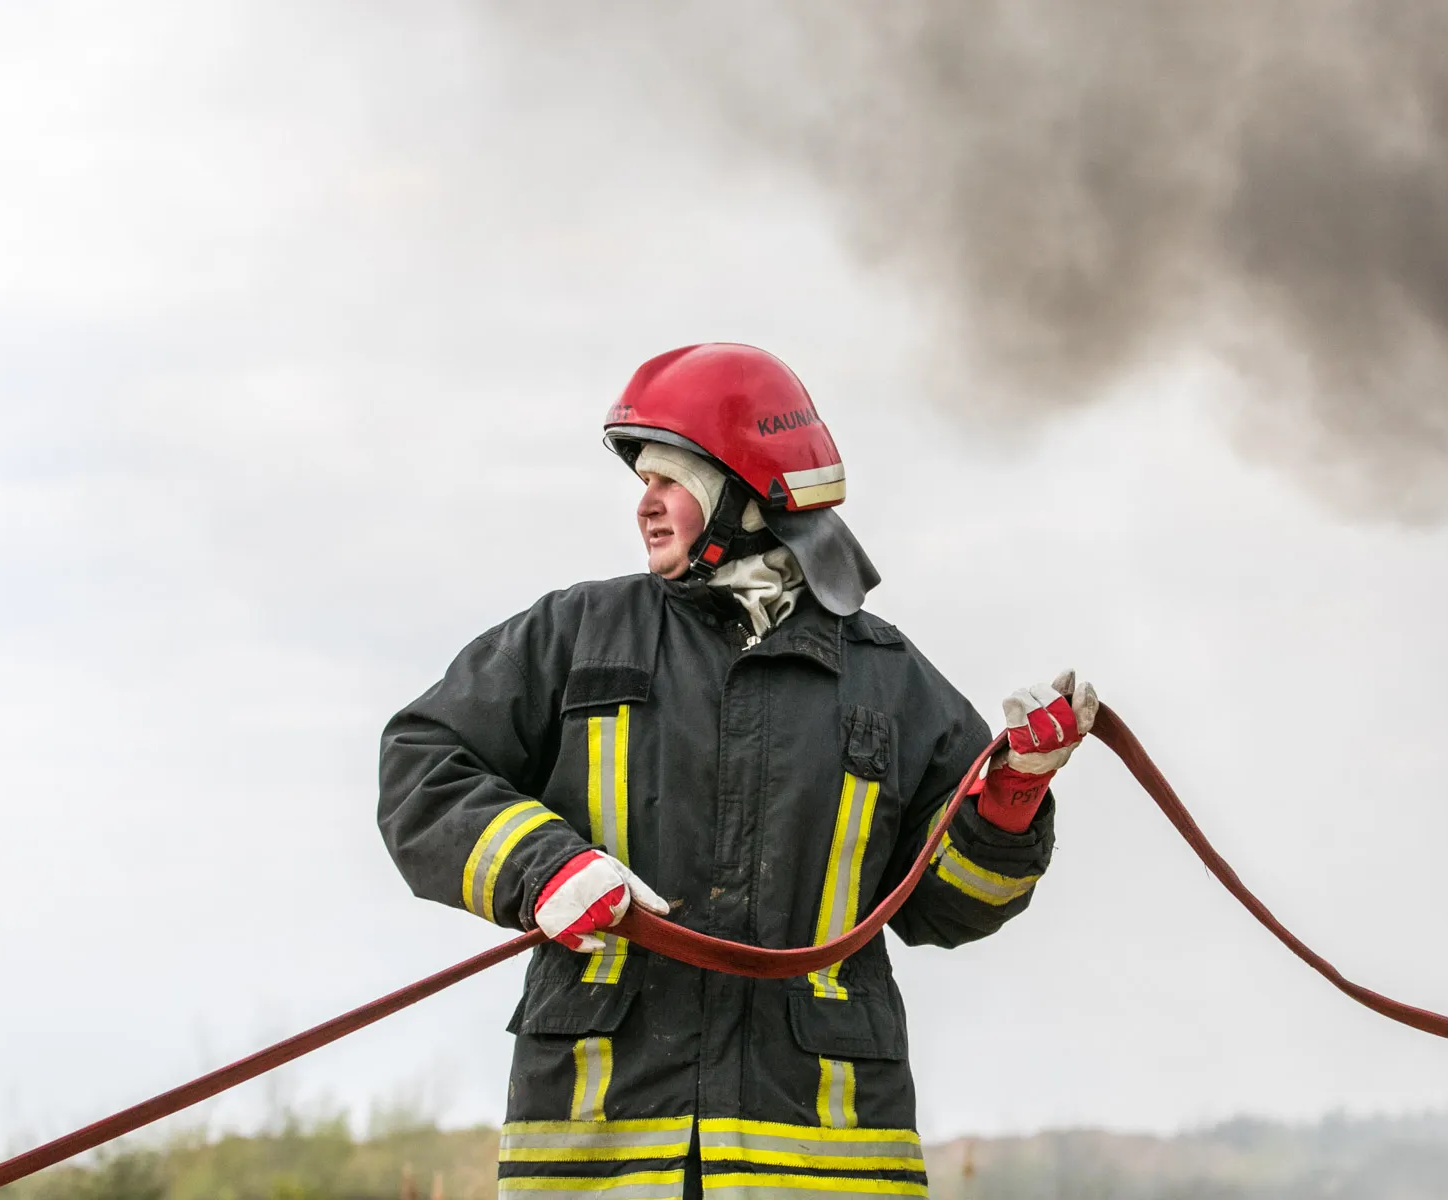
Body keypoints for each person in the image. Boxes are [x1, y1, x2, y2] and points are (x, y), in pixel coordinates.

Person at [378, 343, 1098, 1199]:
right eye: (642, 481)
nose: (645, 504)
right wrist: (545, 868)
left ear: (751, 495)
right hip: (601, 1157)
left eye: (671, 480)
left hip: (822, 1164)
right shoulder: (578, 636)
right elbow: (421, 764)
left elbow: (952, 908)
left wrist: (1011, 797)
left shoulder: (890, 680)